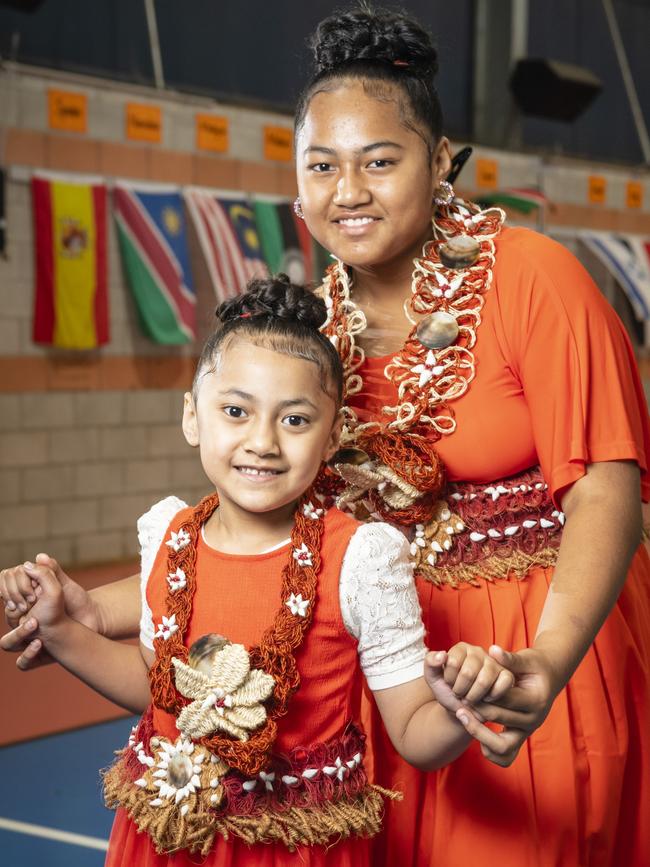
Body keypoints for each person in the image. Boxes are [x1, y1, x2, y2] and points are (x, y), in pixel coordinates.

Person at [3, 5, 650, 866]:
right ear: (298, 182)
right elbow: (257, 545)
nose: (349, 190)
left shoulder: (535, 277)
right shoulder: (313, 332)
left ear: (441, 162)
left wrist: (547, 660)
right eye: (323, 165)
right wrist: (92, 610)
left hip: (522, 668)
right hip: (374, 683)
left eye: (380, 161)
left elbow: (608, 483)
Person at [2, 276, 512, 867]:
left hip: (293, 848)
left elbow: (416, 735)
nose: (262, 442)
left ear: (333, 436)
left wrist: (457, 709)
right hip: (166, 836)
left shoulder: (362, 560)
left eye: (294, 420)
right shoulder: (169, 536)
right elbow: (156, 690)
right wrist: (63, 632)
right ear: (193, 416)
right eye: (236, 411)